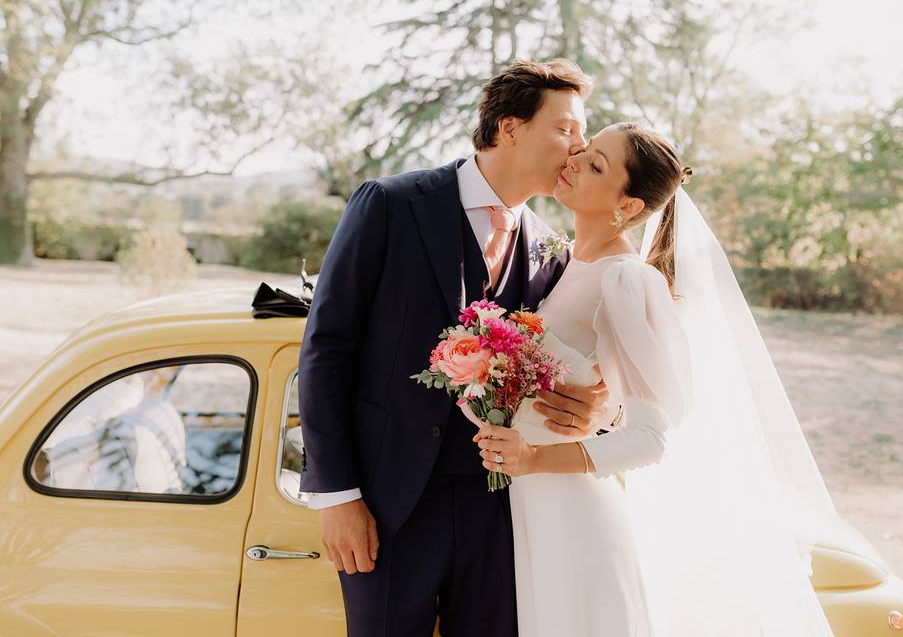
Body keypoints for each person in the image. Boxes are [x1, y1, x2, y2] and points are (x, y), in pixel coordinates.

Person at [297, 59, 621, 637]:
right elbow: (327, 350)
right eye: (565, 129)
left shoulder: (551, 248)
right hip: (386, 506)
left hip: (503, 510)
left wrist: (601, 410)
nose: (577, 149)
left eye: (583, 136)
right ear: (510, 127)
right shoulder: (391, 205)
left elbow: (580, 363)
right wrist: (337, 497)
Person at [474, 123, 837, 636]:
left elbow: (651, 437)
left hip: (576, 519)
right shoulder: (561, 263)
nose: (574, 161)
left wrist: (533, 458)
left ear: (626, 208)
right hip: (534, 515)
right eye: (584, 150)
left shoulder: (625, 279)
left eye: (596, 164)